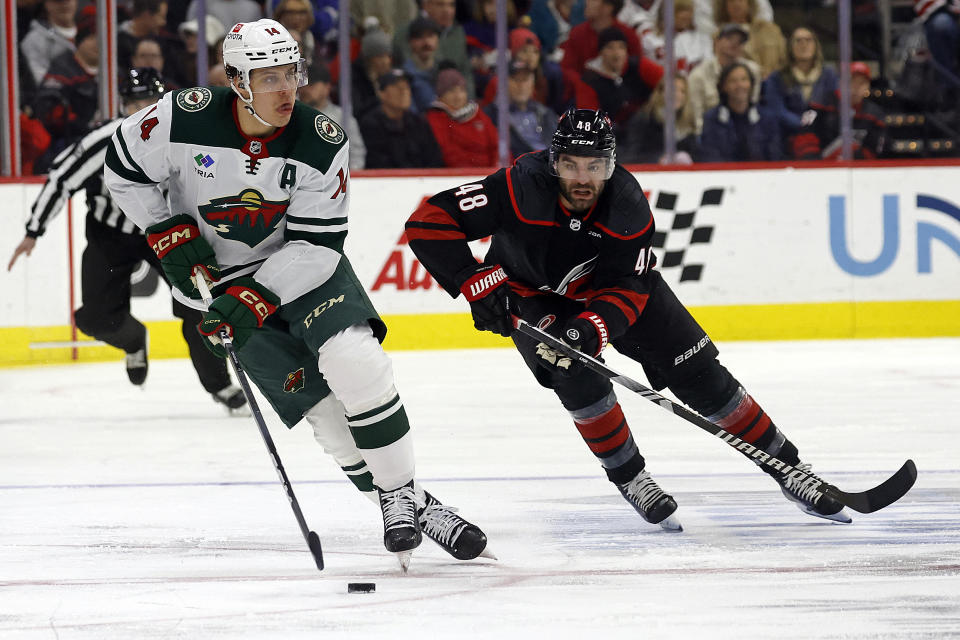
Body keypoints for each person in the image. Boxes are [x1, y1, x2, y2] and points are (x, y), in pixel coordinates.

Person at [102, 20, 488, 568]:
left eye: (293, 73)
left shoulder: (319, 139)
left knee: (358, 362)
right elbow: (121, 168)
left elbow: (318, 247)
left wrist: (257, 297)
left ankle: (400, 492)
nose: (288, 90)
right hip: (216, 283)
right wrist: (163, 227)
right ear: (236, 79)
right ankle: (412, 503)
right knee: (325, 417)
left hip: (303, 268)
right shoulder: (178, 116)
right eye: (269, 77)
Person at [405, 108, 853, 532]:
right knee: (578, 381)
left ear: (611, 165)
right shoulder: (518, 186)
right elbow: (428, 221)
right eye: (572, 165)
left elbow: (629, 287)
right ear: (553, 161)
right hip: (533, 296)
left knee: (702, 378)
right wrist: (473, 280)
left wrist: (593, 326)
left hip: (618, 295)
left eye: (595, 167)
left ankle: (788, 467)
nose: (583, 179)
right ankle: (630, 477)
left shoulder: (628, 204)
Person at [9, 68, 247, 413]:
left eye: (147, 101)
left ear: (162, 100)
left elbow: (212, 174)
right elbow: (61, 178)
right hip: (112, 235)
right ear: (122, 105)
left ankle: (220, 386)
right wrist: (34, 230)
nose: (140, 111)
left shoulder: (183, 133)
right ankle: (134, 341)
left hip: (170, 232)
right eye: (133, 103)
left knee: (200, 308)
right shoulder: (106, 140)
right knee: (94, 318)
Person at [762, 26, 838, 152]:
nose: (804, 44)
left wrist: (815, 124)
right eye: (798, 41)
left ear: (816, 45)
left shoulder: (828, 75)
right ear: (790, 47)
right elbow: (776, 110)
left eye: (808, 40)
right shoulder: (777, 77)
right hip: (787, 139)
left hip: (822, 138)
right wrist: (802, 124)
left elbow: (833, 105)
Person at [792, 62, 886, 160]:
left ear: (868, 86)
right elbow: (804, 135)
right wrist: (815, 163)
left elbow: (876, 148)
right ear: (841, 82)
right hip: (819, 168)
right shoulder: (819, 105)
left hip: (857, 171)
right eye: (851, 81)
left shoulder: (875, 115)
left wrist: (857, 158)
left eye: (861, 83)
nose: (856, 87)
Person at [360, 68, 445, 168]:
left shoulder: (418, 122)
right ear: (382, 94)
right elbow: (377, 163)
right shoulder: (370, 124)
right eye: (397, 87)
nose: (404, 92)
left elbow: (434, 159)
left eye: (406, 87)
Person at [581, 27, 663, 130]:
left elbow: (669, 83)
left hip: (649, 126)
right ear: (601, 52)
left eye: (621, 47)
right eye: (610, 48)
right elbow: (590, 119)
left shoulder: (639, 65)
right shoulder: (590, 81)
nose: (617, 54)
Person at [699, 61, 781, 161]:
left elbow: (774, 157)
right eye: (733, 81)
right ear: (723, 86)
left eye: (744, 79)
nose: (740, 85)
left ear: (751, 84)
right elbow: (710, 157)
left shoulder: (767, 119)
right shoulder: (712, 119)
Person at [687, 23, 761, 133]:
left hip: (746, 130)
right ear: (716, 42)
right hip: (711, 132)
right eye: (729, 38)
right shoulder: (698, 75)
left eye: (740, 41)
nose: (735, 44)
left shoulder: (753, 70)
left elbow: (753, 107)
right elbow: (696, 118)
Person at [483, 61, 558, 160]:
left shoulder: (546, 113)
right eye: (516, 80)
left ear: (532, 83)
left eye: (525, 80)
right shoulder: (490, 116)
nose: (521, 85)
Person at [425, 68, 499, 167]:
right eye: (451, 91)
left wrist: (496, 172)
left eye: (461, 90)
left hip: (488, 174)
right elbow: (447, 152)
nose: (458, 96)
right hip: (460, 176)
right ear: (441, 95)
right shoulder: (436, 116)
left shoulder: (478, 114)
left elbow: (497, 146)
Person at [298, 64, 366, 170]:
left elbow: (356, 153)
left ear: (327, 87)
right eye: (302, 84)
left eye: (311, 85)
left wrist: (351, 177)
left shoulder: (343, 118)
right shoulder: (287, 114)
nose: (305, 89)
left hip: (335, 181)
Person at [619, 74, 699, 164]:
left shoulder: (688, 125)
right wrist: (659, 160)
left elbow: (697, 156)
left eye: (683, 91)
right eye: (673, 89)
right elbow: (631, 156)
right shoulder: (644, 120)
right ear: (661, 92)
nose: (678, 95)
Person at [713, 0, 785, 79]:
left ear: (750, 3)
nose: (736, 4)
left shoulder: (770, 30)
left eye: (741, 0)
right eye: (731, 1)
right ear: (724, 5)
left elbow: (784, 59)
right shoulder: (720, 37)